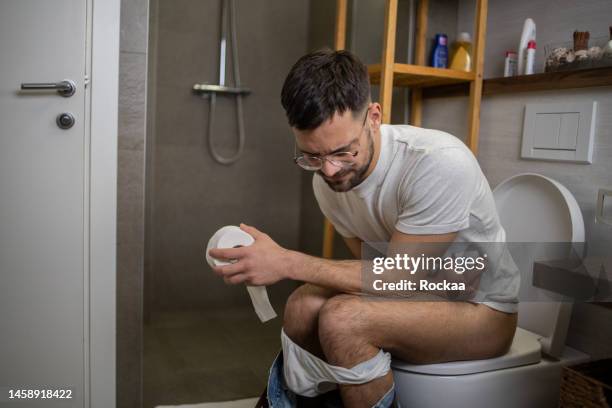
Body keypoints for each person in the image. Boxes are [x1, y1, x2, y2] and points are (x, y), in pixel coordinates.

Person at [208, 49, 519, 408]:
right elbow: (379, 271)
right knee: (301, 306)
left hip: (483, 310)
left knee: (344, 320)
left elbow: (394, 277)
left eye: (343, 152)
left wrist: (286, 262)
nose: (328, 170)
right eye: (312, 156)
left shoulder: (437, 163)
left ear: (373, 117)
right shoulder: (328, 183)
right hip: (428, 289)